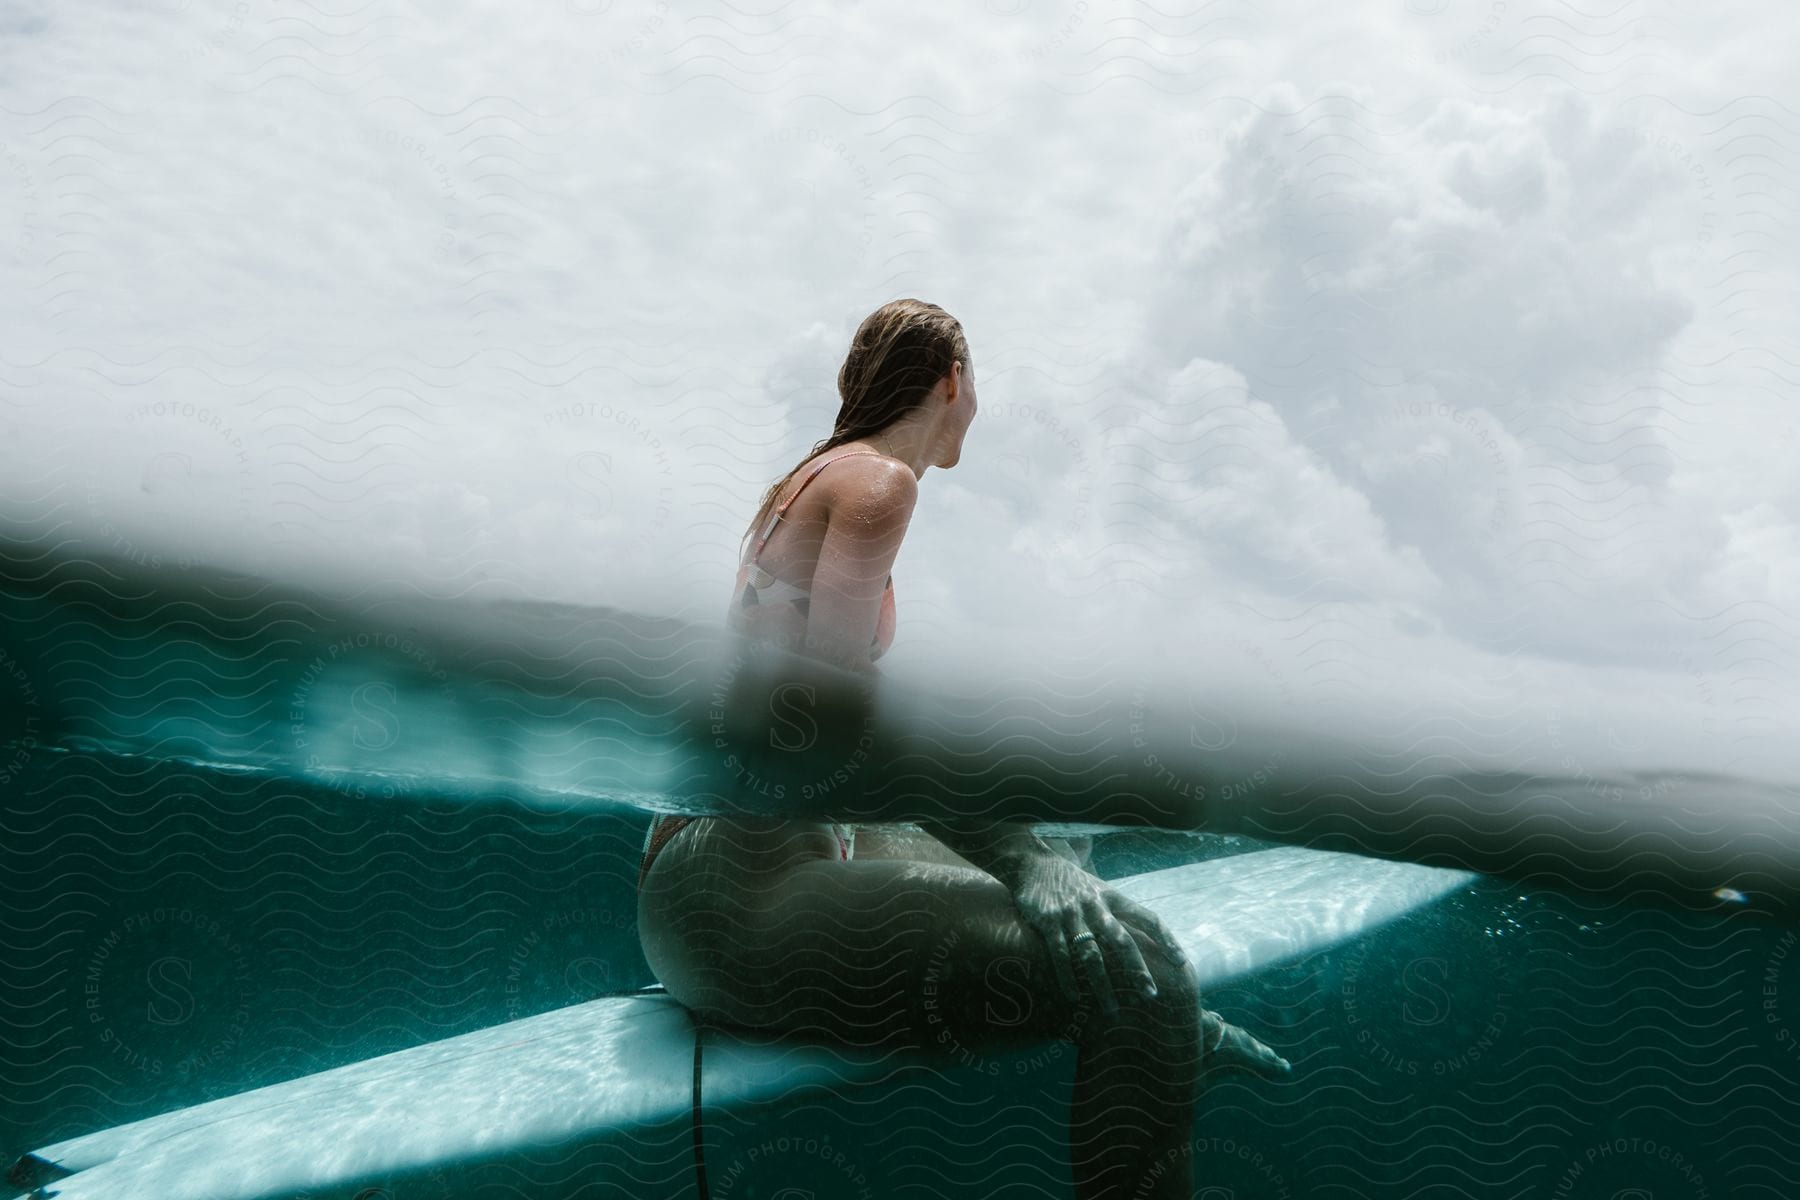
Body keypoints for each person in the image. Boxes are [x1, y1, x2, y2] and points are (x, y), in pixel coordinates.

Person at [637, 299, 1287, 1199]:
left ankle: (1172, 1034)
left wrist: (1032, 850)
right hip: (736, 909)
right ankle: (1160, 1023)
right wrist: (1019, 859)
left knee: (1077, 864)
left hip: (703, 875)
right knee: (1142, 972)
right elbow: (835, 725)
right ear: (952, 381)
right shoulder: (878, 485)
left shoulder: (809, 478)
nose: (976, 405)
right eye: (975, 384)